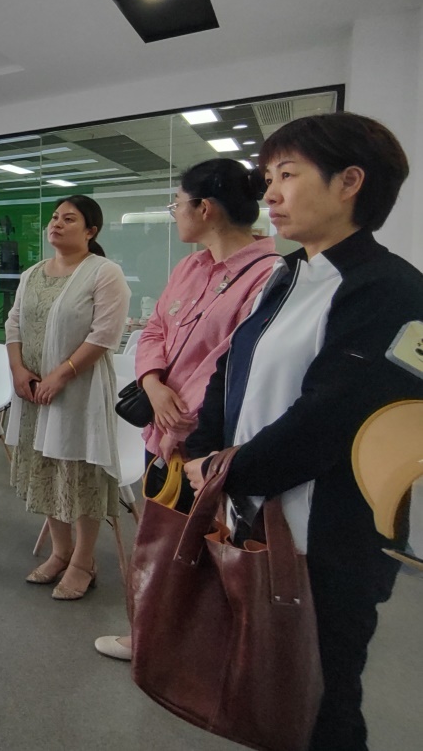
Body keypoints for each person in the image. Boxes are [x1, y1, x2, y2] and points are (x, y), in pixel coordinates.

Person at [183, 113, 423, 751]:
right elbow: (232, 367)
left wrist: (227, 470)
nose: (270, 193)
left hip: (330, 541)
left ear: (350, 182)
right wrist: (202, 450)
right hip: (258, 516)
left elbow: (332, 419)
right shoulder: (289, 273)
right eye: (269, 177)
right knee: (268, 690)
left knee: (320, 705)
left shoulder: (392, 290)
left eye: (287, 175)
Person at [94, 159, 276, 660]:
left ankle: (191, 647)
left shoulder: (266, 276)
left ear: (205, 208)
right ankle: (157, 637)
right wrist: (152, 383)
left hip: (203, 439)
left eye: (176, 203)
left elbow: (231, 362)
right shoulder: (190, 267)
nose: (174, 213)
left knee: (205, 544)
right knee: (162, 538)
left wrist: (183, 417)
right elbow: (155, 328)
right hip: (162, 428)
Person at [5, 195, 130, 600]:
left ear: (91, 231)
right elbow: (13, 324)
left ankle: (84, 561)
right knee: (46, 468)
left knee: (80, 472)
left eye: (69, 219)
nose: (56, 224)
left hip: (79, 392)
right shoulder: (32, 274)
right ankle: (60, 553)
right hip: (33, 392)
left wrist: (59, 376)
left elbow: (105, 334)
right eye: (55, 217)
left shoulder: (104, 273)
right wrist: (18, 369)